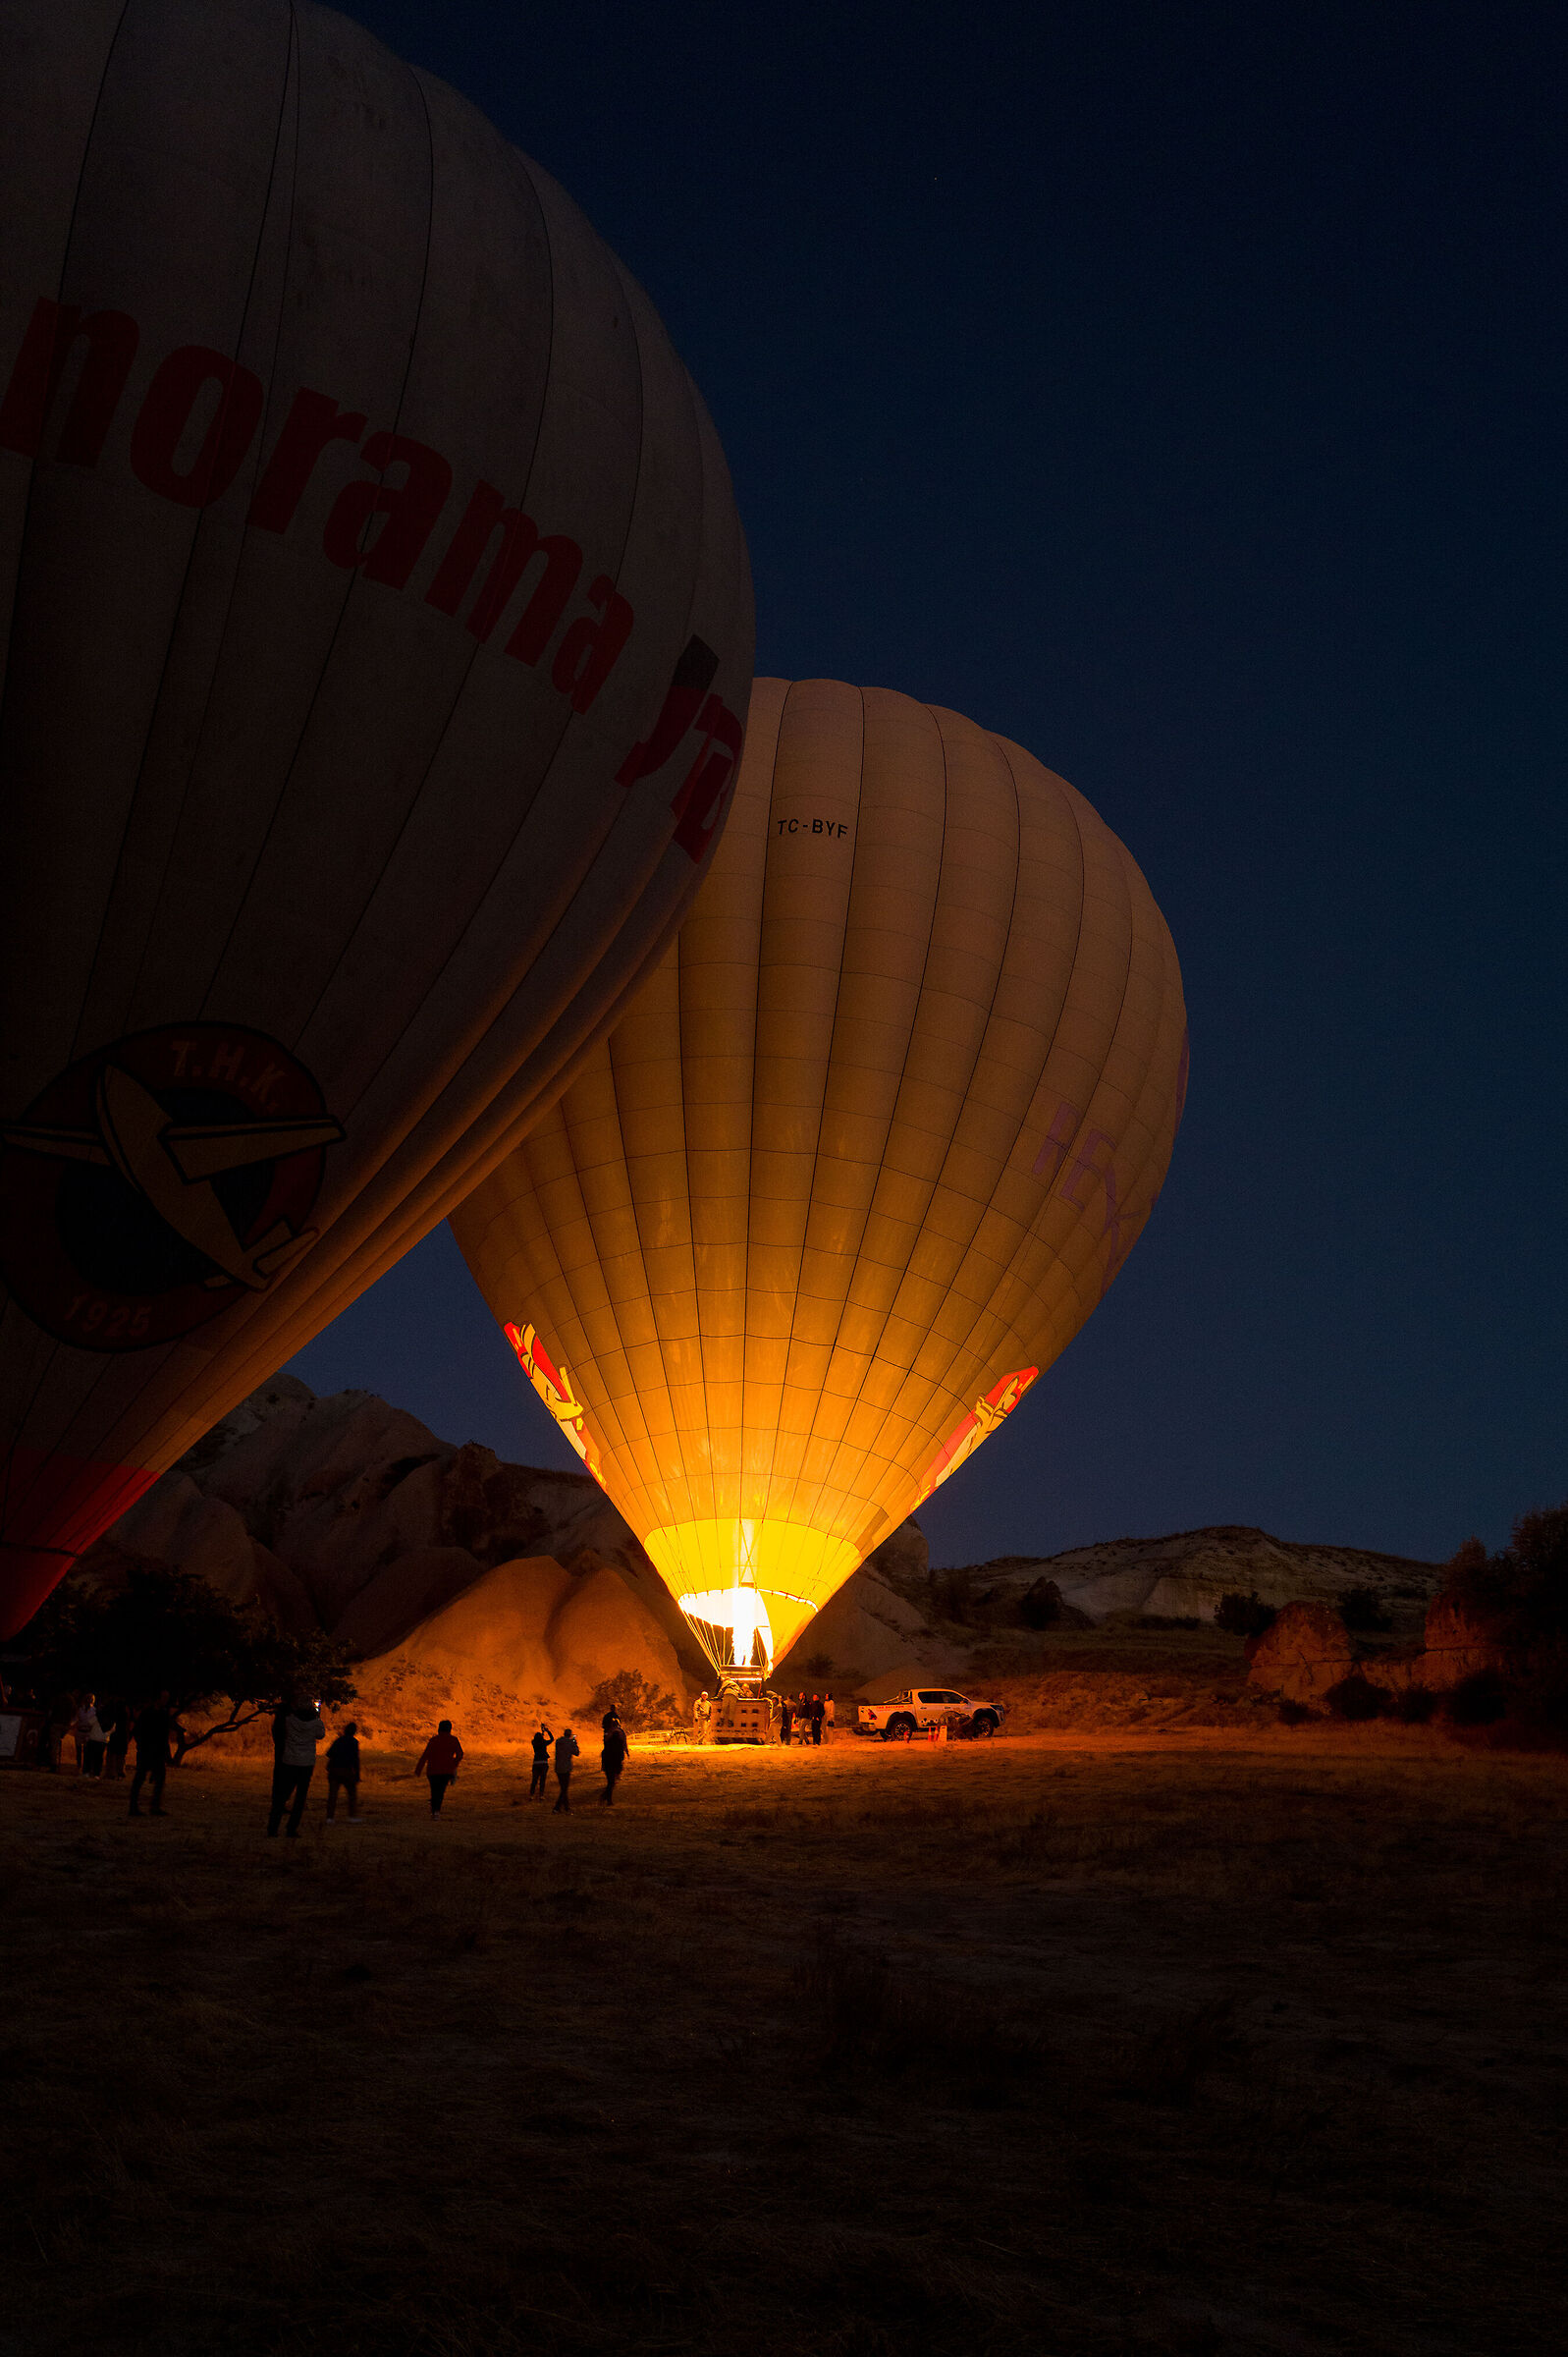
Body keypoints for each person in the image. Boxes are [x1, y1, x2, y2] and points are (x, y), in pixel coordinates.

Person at [268, 1696, 325, 1836]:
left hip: (289, 1760)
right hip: (306, 1763)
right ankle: (291, 1829)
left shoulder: (290, 1721)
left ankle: (273, 1828)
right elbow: (320, 1735)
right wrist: (317, 1715)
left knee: (283, 1795)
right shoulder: (316, 1722)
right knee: (300, 1798)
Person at [129, 1693, 174, 1817]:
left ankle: (155, 1807)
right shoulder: (147, 1713)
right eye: (164, 1698)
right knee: (140, 1778)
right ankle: (133, 1807)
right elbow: (138, 1731)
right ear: (158, 1699)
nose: (166, 1700)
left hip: (157, 1753)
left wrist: (166, 1754)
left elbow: (164, 1736)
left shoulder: (163, 1714)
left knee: (159, 1779)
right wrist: (142, 1746)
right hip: (146, 1751)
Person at [414, 1719, 463, 1815]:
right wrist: (453, 1763)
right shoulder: (453, 1740)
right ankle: (436, 1811)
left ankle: (434, 1809)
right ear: (450, 1729)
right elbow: (460, 1754)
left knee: (434, 1789)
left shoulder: (433, 1740)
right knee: (441, 1790)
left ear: (439, 1729)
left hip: (432, 1770)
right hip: (446, 1770)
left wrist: (418, 1770)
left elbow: (425, 1756)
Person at [325, 1722, 361, 1822]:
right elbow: (355, 1760)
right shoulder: (354, 1742)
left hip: (334, 1770)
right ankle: (351, 1816)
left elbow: (329, 1754)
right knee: (352, 1794)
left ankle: (329, 1817)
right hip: (346, 1771)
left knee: (332, 1795)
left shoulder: (338, 1741)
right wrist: (357, 1774)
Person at [600, 1710, 628, 1805]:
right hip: (613, 1763)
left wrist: (603, 1765)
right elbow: (623, 1746)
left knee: (610, 1782)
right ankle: (606, 1798)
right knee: (611, 1782)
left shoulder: (608, 1735)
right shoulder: (619, 1737)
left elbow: (604, 1752)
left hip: (608, 1763)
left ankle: (606, 1798)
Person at [552, 1725, 579, 1813]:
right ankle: (557, 1808)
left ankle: (566, 1807)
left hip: (558, 1767)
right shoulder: (571, 1743)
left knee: (563, 1788)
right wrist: (575, 1743)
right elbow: (577, 1753)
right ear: (570, 1735)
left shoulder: (558, 1741)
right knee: (564, 1789)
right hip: (566, 1768)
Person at [102, 1699, 130, 1779]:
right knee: (120, 1755)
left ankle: (111, 1772)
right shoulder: (125, 1714)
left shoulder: (113, 1714)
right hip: (122, 1736)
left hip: (115, 1736)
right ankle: (120, 1771)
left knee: (112, 1754)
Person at [528, 1724, 554, 1798]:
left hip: (536, 1763)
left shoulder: (534, 1743)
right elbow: (552, 1739)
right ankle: (541, 1795)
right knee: (542, 1780)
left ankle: (532, 1795)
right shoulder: (544, 1742)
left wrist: (542, 1734)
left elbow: (536, 1740)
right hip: (544, 1763)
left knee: (534, 1780)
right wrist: (547, 1731)